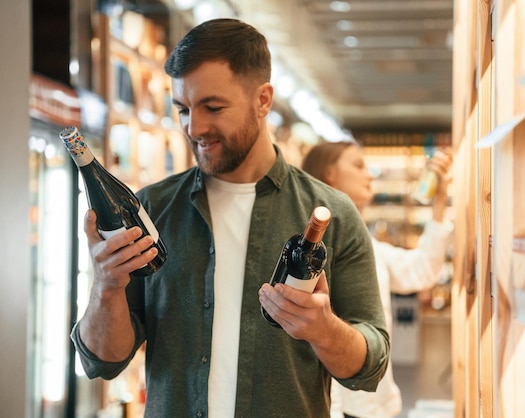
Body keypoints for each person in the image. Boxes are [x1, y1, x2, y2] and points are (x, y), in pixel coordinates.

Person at [70, 18, 389, 418]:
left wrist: (324, 330)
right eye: (183, 110)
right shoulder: (150, 210)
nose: (195, 127)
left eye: (213, 107)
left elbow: (370, 366)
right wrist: (106, 287)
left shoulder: (332, 214)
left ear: (263, 100)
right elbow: (104, 361)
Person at [301, 141, 453, 418]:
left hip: (372, 403)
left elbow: (422, 270)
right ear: (328, 174)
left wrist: (439, 199)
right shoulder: (306, 251)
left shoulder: (366, 246)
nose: (370, 174)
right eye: (358, 166)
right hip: (329, 406)